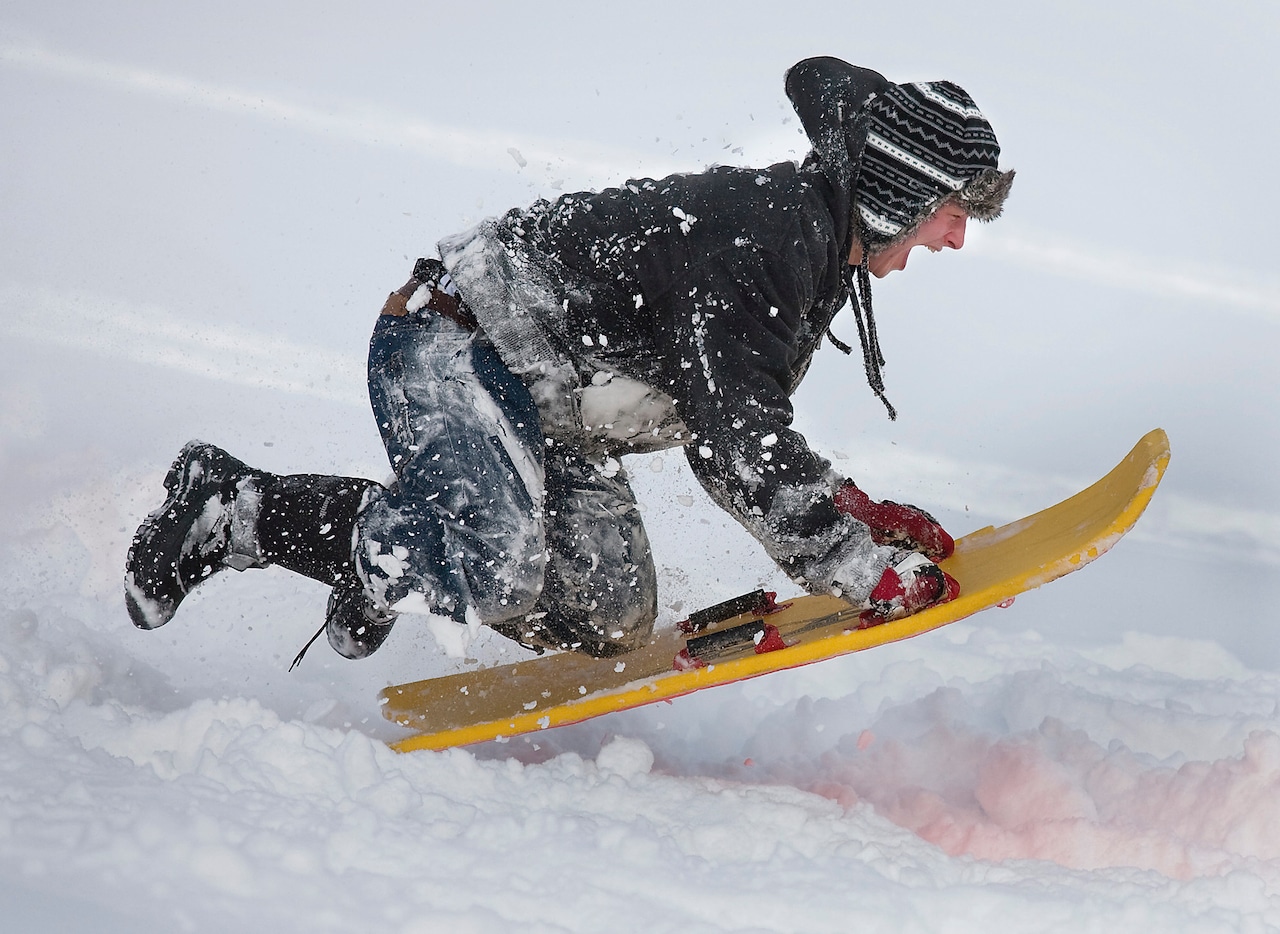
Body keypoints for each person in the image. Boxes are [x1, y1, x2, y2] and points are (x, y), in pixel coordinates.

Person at [124, 56, 1013, 663]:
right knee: (499, 569)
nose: (957, 238)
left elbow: (735, 424)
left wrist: (847, 507)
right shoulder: (768, 240)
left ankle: (409, 543)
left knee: (612, 619)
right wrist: (859, 568)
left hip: (550, 403)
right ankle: (237, 508)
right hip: (454, 340)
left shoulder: (813, 242)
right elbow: (736, 437)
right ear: (899, 190)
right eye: (953, 210)